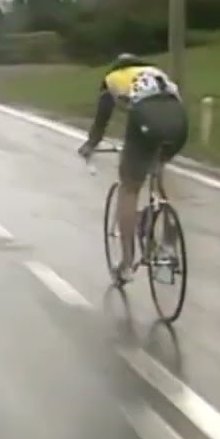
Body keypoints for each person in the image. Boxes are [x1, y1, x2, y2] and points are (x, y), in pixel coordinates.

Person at [77, 53, 189, 283]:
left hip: (146, 121)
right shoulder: (159, 75)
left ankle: (127, 263)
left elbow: (101, 121)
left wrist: (91, 145)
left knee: (129, 188)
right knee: (157, 173)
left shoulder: (113, 78)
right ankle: (167, 232)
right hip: (178, 124)